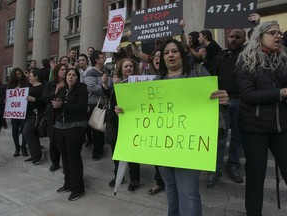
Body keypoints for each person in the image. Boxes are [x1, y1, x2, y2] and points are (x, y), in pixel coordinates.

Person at [115, 39, 229, 216]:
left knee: (188, 192)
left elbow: (214, 101)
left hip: (190, 147)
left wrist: (222, 98)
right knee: (170, 188)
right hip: (163, 148)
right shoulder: (156, 83)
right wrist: (125, 110)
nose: (170, 55)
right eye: (166, 53)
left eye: (174, 51)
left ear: (182, 55)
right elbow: (141, 109)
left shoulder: (198, 74)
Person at [236, 21, 287, 216]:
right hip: (254, 128)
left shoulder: (283, 59)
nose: (279, 36)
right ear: (260, 36)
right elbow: (248, 95)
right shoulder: (245, 59)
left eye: (280, 33)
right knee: (256, 176)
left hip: (281, 126)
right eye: (273, 32)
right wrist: (280, 93)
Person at [207, 29, 246, 187]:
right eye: (231, 36)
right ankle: (214, 169)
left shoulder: (247, 56)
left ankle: (233, 165)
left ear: (243, 39)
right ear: (227, 38)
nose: (234, 39)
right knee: (220, 137)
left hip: (240, 101)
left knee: (238, 136)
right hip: (221, 103)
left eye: (238, 37)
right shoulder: (219, 57)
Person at [103, 58, 142, 191]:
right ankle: (118, 175)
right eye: (126, 66)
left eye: (131, 66)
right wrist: (106, 85)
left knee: (132, 152)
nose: (129, 68)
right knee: (116, 150)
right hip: (115, 121)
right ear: (121, 69)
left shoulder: (138, 83)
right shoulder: (116, 82)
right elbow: (110, 100)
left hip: (131, 122)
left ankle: (135, 179)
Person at [52, 68, 88, 201]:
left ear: (77, 77)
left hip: (76, 126)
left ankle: (78, 188)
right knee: (64, 157)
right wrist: (56, 98)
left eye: (73, 75)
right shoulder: (62, 89)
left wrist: (63, 105)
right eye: (69, 75)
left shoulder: (82, 89)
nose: (71, 77)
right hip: (60, 127)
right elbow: (55, 104)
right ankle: (68, 183)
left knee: (73, 157)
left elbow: (82, 108)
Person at [84, 50, 109, 161]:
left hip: (104, 104)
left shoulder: (105, 71)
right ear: (96, 60)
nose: (104, 58)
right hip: (94, 104)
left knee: (101, 128)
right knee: (96, 128)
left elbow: (110, 85)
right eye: (101, 57)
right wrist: (104, 88)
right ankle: (96, 153)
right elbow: (91, 87)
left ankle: (99, 149)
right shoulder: (91, 72)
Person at [42, 63, 67, 172]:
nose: (64, 71)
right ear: (57, 71)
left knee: (64, 142)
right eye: (62, 69)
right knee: (53, 142)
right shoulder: (50, 84)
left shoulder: (69, 83)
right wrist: (56, 91)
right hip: (52, 116)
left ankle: (66, 163)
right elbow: (44, 98)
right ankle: (55, 162)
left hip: (65, 115)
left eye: (65, 69)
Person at [23, 68, 46, 164]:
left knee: (27, 132)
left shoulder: (43, 87)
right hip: (28, 114)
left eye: (31, 75)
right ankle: (35, 155)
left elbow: (44, 100)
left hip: (36, 114)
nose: (29, 77)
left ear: (36, 77)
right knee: (32, 134)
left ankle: (36, 155)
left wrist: (34, 99)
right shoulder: (28, 86)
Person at [7, 68, 28, 157]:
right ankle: (17, 148)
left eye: (19, 73)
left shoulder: (26, 83)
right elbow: (8, 96)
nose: (18, 75)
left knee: (24, 130)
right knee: (14, 130)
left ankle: (23, 147)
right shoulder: (10, 85)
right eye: (16, 74)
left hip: (24, 110)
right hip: (15, 112)